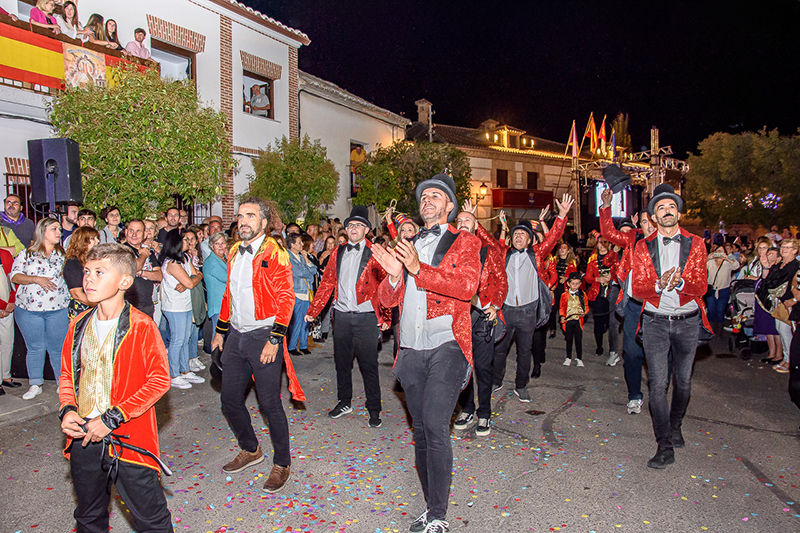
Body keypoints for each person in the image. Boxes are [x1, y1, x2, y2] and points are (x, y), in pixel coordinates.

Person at [371, 173, 480, 533]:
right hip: (412, 349)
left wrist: (419, 268)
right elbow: (388, 303)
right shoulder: (408, 242)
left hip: (448, 343)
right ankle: (430, 505)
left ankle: (438, 515)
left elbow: (466, 288)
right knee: (420, 431)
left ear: (449, 206)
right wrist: (392, 277)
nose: (428, 201)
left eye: (436, 196)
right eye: (423, 197)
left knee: (435, 425)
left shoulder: (465, 242)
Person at [58, 244, 172, 532]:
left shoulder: (142, 326)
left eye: (99, 272)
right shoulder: (77, 325)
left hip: (128, 440)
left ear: (124, 281)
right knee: (88, 516)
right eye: (86, 271)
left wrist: (111, 419)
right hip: (84, 437)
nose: (89, 279)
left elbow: (159, 380)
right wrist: (67, 409)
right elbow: (67, 376)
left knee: (152, 520)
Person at [211, 197, 305, 493]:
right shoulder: (235, 251)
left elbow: (286, 298)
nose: (243, 221)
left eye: (250, 216)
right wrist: (219, 332)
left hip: (264, 334)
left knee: (269, 403)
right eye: (240, 216)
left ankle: (282, 462)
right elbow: (229, 294)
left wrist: (275, 339)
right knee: (229, 399)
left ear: (263, 223)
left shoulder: (275, 252)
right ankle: (251, 449)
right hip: (236, 335)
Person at [630, 184, 712, 469]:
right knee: (657, 385)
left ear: (679, 213)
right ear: (653, 216)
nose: (667, 212)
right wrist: (658, 284)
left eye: (671, 207)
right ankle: (664, 444)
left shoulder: (697, 244)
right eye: (661, 208)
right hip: (655, 322)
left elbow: (702, 286)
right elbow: (638, 290)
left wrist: (680, 283)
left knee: (685, 383)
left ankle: (675, 424)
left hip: (688, 322)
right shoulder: (643, 246)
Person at [304, 205, 390, 426]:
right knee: (342, 364)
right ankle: (344, 401)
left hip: (366, 317)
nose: (354, 228)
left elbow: (385, 287)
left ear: (366, 230)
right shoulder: (338, 251)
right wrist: (313, 310)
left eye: (359, 225)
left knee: (369, 365)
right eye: (351, 225)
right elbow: (327, 284)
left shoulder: (376, 253)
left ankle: (374, 408)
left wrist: (385, 317)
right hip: (341, 316)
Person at [493, 194, 573, 399]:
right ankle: (497, 380)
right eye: (516, 234)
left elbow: (554, 237)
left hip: (528, 310)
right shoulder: (504, 254)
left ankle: (521, 386)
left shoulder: (536, 254)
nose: (519, 236)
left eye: (523, 234)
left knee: (524, 351)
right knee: (500, 349)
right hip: (506, 309)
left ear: (530, 239)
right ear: (511, 239)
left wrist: (562, 216)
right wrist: (474, 221)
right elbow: (486, 240)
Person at [599, 188, 657, 414]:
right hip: (634, 306)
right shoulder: (633, 239)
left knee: (658, 355)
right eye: (644, 222)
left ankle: (659, 395)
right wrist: (606, 206)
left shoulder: (670, 243)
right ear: (639, 226)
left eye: (652, 221)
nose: (649, 225)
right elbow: (609, 233)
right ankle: (634, 395)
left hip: (659, 308)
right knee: (632, 353)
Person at [452, 201, 508, 436]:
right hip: (458, 316)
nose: (462, 223)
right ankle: (467, 408)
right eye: (459, 221)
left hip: (483, 314)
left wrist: (495, 305)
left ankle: (484, 412)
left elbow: (502, 281)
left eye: (468, 220)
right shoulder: (449, 250)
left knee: (483, 368)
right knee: (461, 366)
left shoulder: (488, 250)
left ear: (476, 227)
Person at [10, 218, 70, 400]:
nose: (59, 232)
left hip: (58, 308)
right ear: (43, 231)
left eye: (59, 229)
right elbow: (15, 276)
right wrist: (36, 279)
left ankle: (62, 384)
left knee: (57, 348)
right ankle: (35, 384)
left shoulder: (64, 255)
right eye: (54, 229)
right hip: (29, 309)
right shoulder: (27, 254)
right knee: (35, 347)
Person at [158, 229, 204, 389]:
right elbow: (191, 283)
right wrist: (191, 280)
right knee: (178, 340)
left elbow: (196, 275)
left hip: (186, 304)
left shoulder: (185, 258)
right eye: (184, 239)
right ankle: (174, 374)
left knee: (185, 338)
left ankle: (185, 371)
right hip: (174, 306)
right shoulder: (172, 263)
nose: (188, 242)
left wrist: (193, 279)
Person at [757, 238, 799, 374]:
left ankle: (791, 361)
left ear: (795, 250)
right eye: (783, 247)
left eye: (788, 247)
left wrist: (793, 300)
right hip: (779, 302)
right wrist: (767, 266)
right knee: (781, 331)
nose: (784, 249)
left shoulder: (796, 265)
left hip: (790, 303)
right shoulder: (780, 264)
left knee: (789, 333)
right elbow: (768, 281)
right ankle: (787, 358)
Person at [584, 237, 617, 357]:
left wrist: (612, 278)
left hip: (612, 293)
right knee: (598, 321)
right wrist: (597, 279)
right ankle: (599, 346)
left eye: (605, 242)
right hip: (597, 293)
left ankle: (613, 349)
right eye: (599, 243)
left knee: (610, 322)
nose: (602, 245)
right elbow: (587, 278)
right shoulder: (592, 259)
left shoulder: (614, 258)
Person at [122, 220, 162, 318]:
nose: (134, 234)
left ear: (144, 234)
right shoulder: (122, 250)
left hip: (147, 304)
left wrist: (141, 272)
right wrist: (143, 255)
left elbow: (159, 276)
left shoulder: (148, 251)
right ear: (126, 232)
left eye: (138, 231)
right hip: (128, 307)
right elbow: (134, 267)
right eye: (131, 231)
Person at [286, 232, 317, 355]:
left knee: (306, 321)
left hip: (306, 292)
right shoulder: (289, 257)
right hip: (297, 292)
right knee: (297, 321)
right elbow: (300, 273)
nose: (302, 244)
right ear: (292, 244)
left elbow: (314, 270)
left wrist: (306, 260)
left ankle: (303, 345)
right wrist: (307, 267)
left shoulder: (301, 256)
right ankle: (292, 346)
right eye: (299, 242)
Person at [63, 226, 100, 320]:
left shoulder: (93, 260)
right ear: (82, 242)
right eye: (92, 239)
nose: (97, 241)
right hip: (82, 309)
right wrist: (99, 306)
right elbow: (76, 294)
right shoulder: (73, 262)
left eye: (97, 238)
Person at [705, 243, 740, 332]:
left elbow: (737, 266)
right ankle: (711, 331)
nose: (719, 253)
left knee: (720, 310)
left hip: (723, 290)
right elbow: (700, 267)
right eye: (717, 251)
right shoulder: (710, 262)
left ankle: (719, 331)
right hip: (711, 289)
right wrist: (707, 258)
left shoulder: (727, 263)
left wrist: (727, 258)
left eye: (721, 251)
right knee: (711, 310)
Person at [547, 243, 577, 339]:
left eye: (564, 248)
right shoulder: (554, 260)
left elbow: (574, 276)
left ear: (568, 251)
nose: (561, 249)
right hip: (554, 287)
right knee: (553, 309)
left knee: (564, 310)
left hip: (565, 288)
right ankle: (552, 329)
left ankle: (566, 330)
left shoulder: (572, 262)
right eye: (560, 248)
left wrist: (566, 278)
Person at [202, 232, 228, 336]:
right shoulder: (211, 261)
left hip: (226, 305)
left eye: (223, 243)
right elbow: (228, 278)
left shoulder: (224, 260)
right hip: (218, 306)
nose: (221, 246)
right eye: (217, 243)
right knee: (218, 336)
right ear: (212, 246)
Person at [560, 272, 587, 366]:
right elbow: (562, 307)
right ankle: (568, 357)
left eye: (577, 284)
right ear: (568, 284)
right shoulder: (564, 295)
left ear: (580, 284)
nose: (575, 286)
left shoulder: (582, 295)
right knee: (569, 339)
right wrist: (562, 316)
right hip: (568, 320)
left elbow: (586, 306)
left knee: (578, 340)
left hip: (578, 321)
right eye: (573, 283)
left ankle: (579, 358)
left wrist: (584, 312)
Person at [0, 247, 17, 395]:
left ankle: (5, 376)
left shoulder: (4, 255)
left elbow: (13, 281)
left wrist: (10, 303)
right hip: (3, 305)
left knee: (7, 342)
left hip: (7, 307)